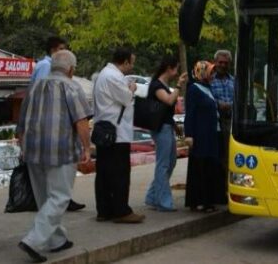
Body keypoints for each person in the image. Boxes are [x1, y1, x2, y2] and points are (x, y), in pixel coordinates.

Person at [15, 50, 92, 263]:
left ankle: (56, 240)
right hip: (61, 150)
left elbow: (20, 121)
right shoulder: (71, 86)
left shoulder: (34, 86)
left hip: (32, 150)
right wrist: (87, 148)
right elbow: (81, 122)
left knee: (44, 198)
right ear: (71, 69)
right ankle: (33, 240)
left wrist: (22, 145)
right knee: (59, 197)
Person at [92, 47, 144, 224]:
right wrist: (132, 87)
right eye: (132, 62)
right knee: (120, 173)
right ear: (125, 61)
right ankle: (121, 210)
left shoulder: (104, 74)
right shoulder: (113, 77)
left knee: (104, 173)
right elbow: (127, 98)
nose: (132, 66)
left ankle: (105, 210)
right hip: (117, 133)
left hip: (106, 130)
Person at [144, 55, 188, 212]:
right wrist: (179, 85)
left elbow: (165, 110)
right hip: (160, 128)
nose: (176, 72)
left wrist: (174, 126)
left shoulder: (161, 84)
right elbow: (169, 101)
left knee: (170, 162)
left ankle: (152, 195)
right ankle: (163, 201)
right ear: (169, 68)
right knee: (163, 164)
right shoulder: (157, 86)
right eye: (175, 68)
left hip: (166, 126)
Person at [184, 60, 223, 212]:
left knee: (209, 166)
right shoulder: (194, 89)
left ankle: (208, 200)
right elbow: (191, 113)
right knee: (201, 167)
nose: (212, 75)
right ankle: (201, 201)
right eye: (210, 72)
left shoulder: (208, 88)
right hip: (200, 135)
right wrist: (189, 134)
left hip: (211, 133)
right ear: (202, 72)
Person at [209, 49, 234, 197]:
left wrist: (230, 105)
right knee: (220, 156)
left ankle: (229, 186)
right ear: (215, 63)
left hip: (231, 121)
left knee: (230, 155)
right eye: (220, 62)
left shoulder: (234, 80)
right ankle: (220, 189)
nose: (223, 65)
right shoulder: (210, 80)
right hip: (217, 122)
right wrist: (219, 104)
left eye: (225, 63)